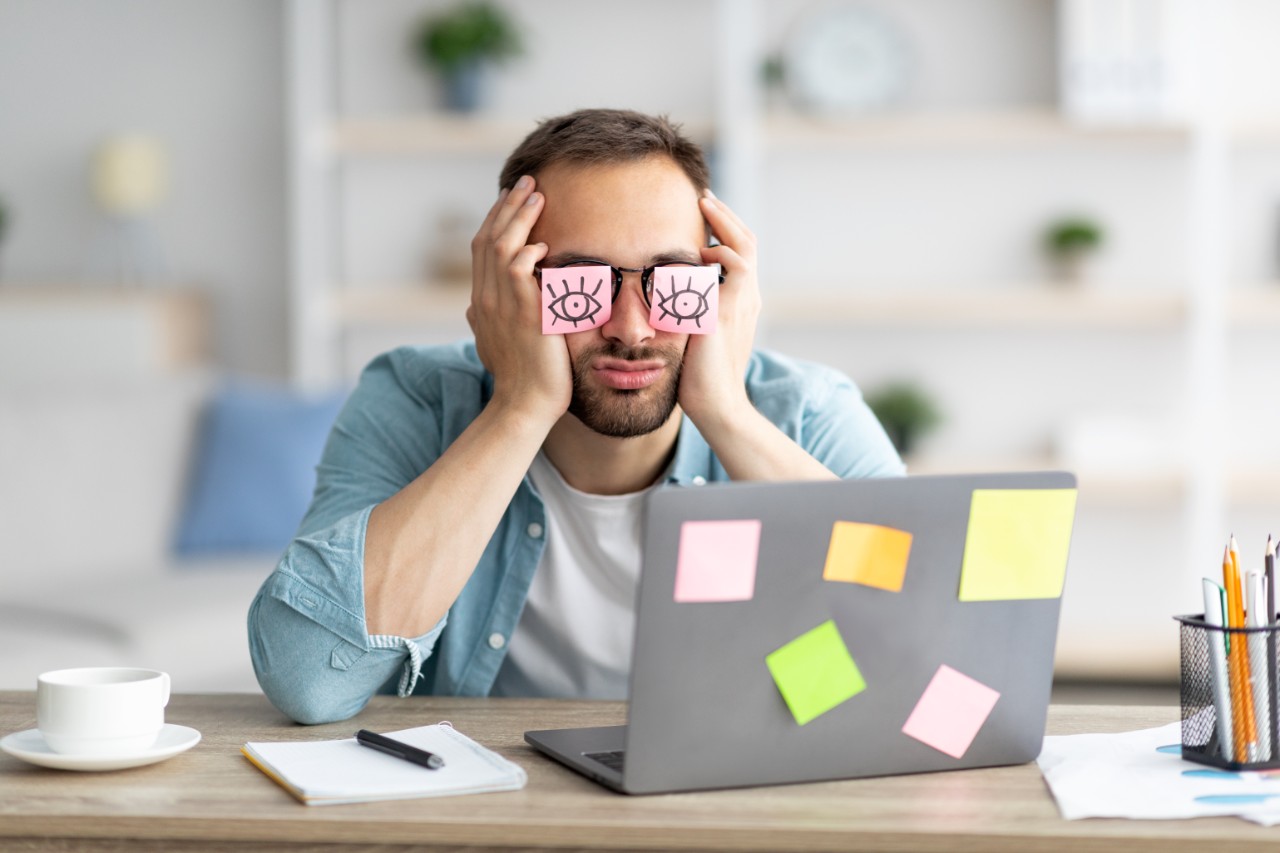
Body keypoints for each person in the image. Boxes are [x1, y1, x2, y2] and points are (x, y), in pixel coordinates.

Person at [249, 108, 903, 724]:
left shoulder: (805, 411)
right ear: (503, 290)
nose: (633, 328)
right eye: (578, 282)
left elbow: (912, 649)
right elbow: (312, 680)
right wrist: (519, 407)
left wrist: (726, 412)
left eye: (670, 278)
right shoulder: (417, 398)